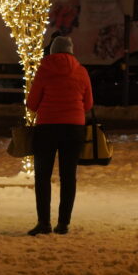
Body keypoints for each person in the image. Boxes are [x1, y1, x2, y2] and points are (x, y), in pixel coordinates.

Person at [25, 35, 93, 236]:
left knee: (43, 177)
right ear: (71, 50)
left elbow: (32, 103)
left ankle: (44, 223)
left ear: (52, 51)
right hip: (74, 129)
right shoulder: (81, 71)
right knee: (68, 177)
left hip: (47, 128)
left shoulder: (44, 70)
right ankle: (63, 223)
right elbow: (88, 104)